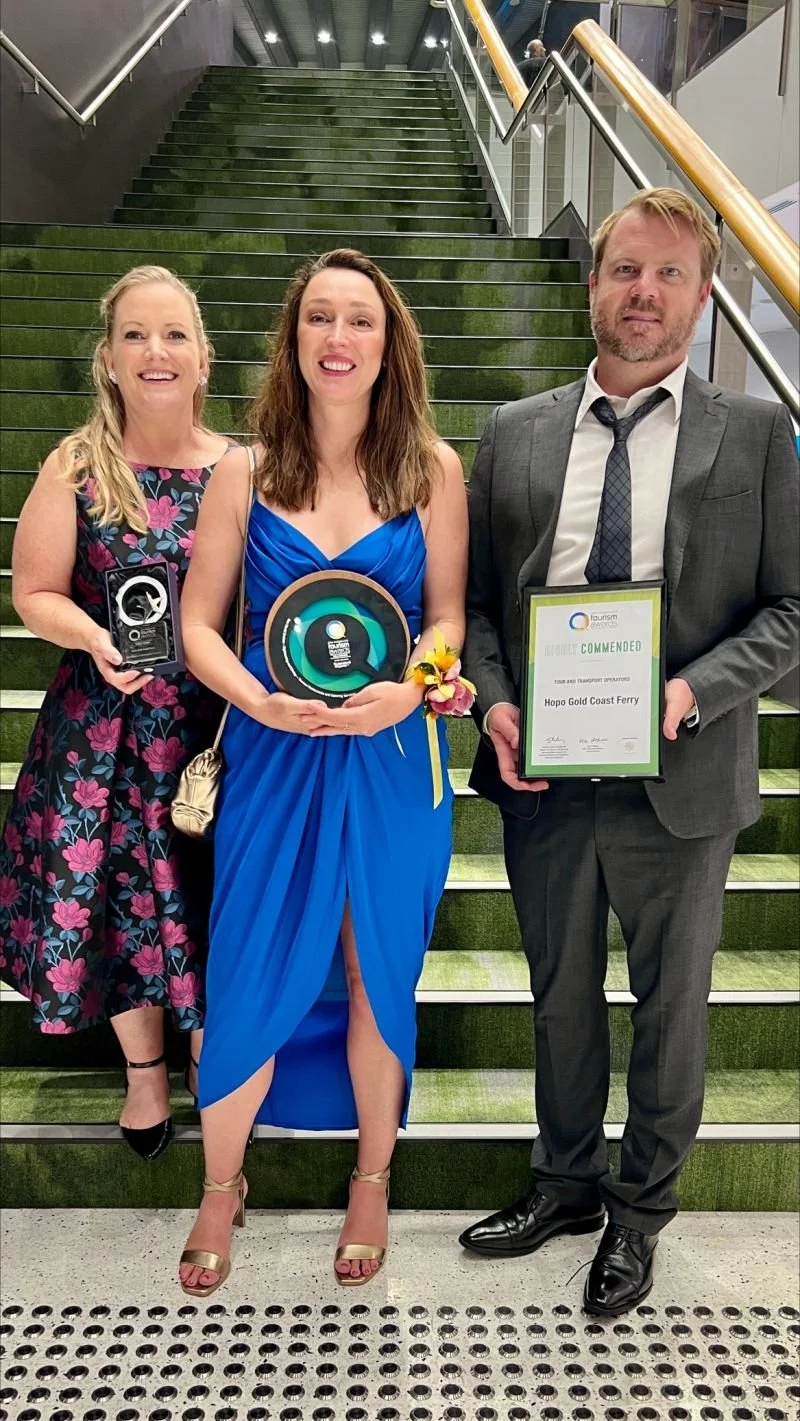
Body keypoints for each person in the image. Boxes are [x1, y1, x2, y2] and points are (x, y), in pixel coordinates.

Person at [459, 188, 799, 1315]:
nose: (640, 293)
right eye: (622, 271)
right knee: (558, 994)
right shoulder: (511, 432)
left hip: (680, 769)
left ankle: (638, 1210)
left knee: (671, 1005)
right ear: (591, 284)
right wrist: (495, 703)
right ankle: (562, 1180)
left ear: (702, 298)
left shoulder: (753, 434)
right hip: (544, 771)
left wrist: (692, 689)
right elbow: (477, 606)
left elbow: (789, 610)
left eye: (665, 275)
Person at [177, 248, 468, 1296]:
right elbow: (199, 626)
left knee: (371, 968)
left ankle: (373, 1176)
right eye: (319, 320)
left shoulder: (430, 467)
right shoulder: (242, 470)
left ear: (390, 344)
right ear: (292, 340)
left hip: (390, 757)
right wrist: (253, 698)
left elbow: (442, 620)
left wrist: (417, 686)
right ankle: (220, 1183)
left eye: (360, 321)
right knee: (248, 956)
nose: (338, 339)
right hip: (273, 748)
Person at [0, 267, 229, 1159]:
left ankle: (217, 1051)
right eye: (135, 335)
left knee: (213, 895)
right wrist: (96, 635)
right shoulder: (77, 464)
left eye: (174, 334)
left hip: (213, 728)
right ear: (108, 358)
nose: (156, 352)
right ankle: (143, 1074)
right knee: (123, 901)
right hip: (107, 730)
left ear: (204, 358)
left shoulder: (242, 467)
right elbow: (34, 592)